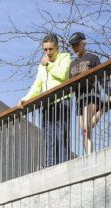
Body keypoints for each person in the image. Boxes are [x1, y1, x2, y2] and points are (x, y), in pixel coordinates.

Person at [20, 33, 72, 167]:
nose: (48, 52)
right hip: (47, 104)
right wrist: (25, 99)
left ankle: (64, 165)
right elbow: (37, 85)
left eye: (51, 49)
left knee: (61, 135)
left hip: (62, 101)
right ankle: (50, 166)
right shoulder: (42, 66)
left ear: (57, 48)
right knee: (49, 137)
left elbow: (63, 74)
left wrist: (48, 64)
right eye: (45, 49)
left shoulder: (65, 57)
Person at [68, 32, 105, 154]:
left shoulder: (92, 58)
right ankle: (89, 156)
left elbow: (102, 76)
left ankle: (103, 108)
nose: (75, 47)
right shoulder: (72, 64)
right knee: (84, 132)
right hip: (79, 100)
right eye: (73, 45)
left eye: (77, 44)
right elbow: (70, 83)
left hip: (92, 96)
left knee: (85, 128)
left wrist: (109, 93)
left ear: (83, 43)